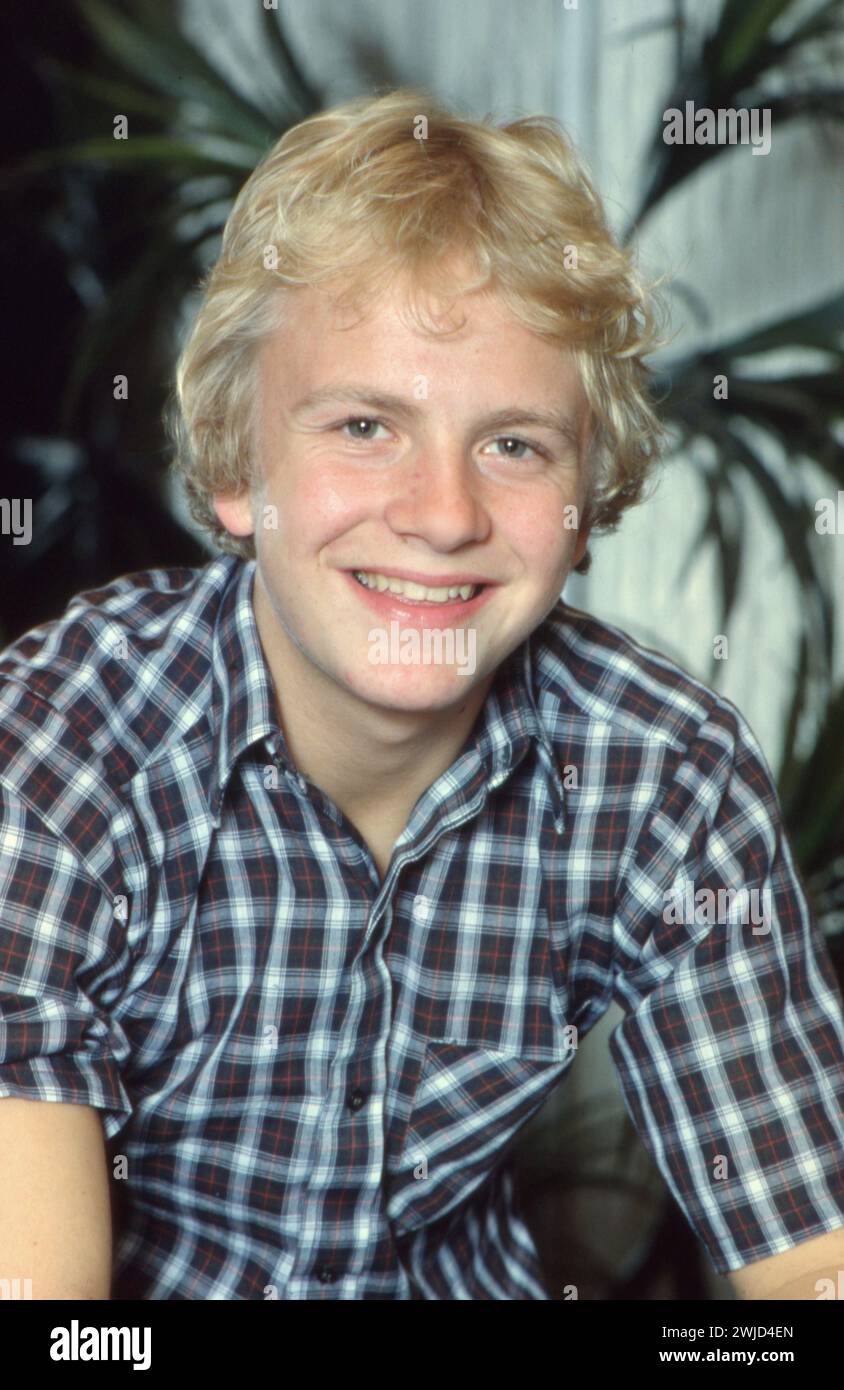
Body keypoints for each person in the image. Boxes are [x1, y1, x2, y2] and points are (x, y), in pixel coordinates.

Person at [1, 87, 842, 1302]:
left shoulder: (665, 774)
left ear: (583, 506)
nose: (443, 515)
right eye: (363, 425)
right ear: (237, 466)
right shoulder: (57, 747)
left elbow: (809, 1254)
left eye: (513, 444)